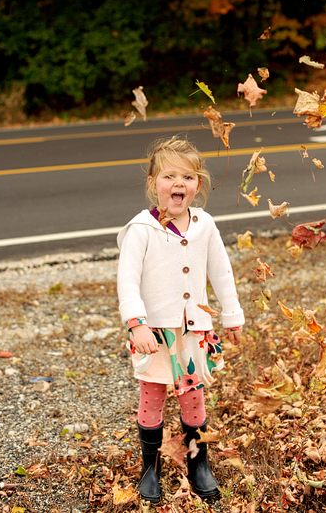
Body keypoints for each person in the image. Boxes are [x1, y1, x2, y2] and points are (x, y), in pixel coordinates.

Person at [116, 136, 243, 503]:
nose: (178, 184)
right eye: (169, 176)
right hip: (153, 333)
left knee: (193, 398)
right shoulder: (142, 229)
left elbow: (222, 272)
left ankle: (197, 462)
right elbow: (127, 280)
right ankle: (149, 467)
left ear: (197, 185)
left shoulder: (204, 225)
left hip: (194, 332)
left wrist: (232, 314)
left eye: (187, 178)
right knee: (152, 396)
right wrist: (137, 323)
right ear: (154, 183)